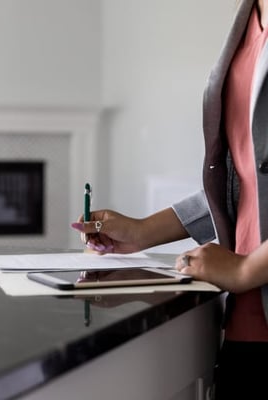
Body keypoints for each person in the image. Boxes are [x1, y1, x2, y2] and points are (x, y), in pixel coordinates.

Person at [72, 1, 268, 398]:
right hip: (247, 321)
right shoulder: (247, 17)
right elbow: (243, 179)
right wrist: (143, 231)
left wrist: (247, 269)